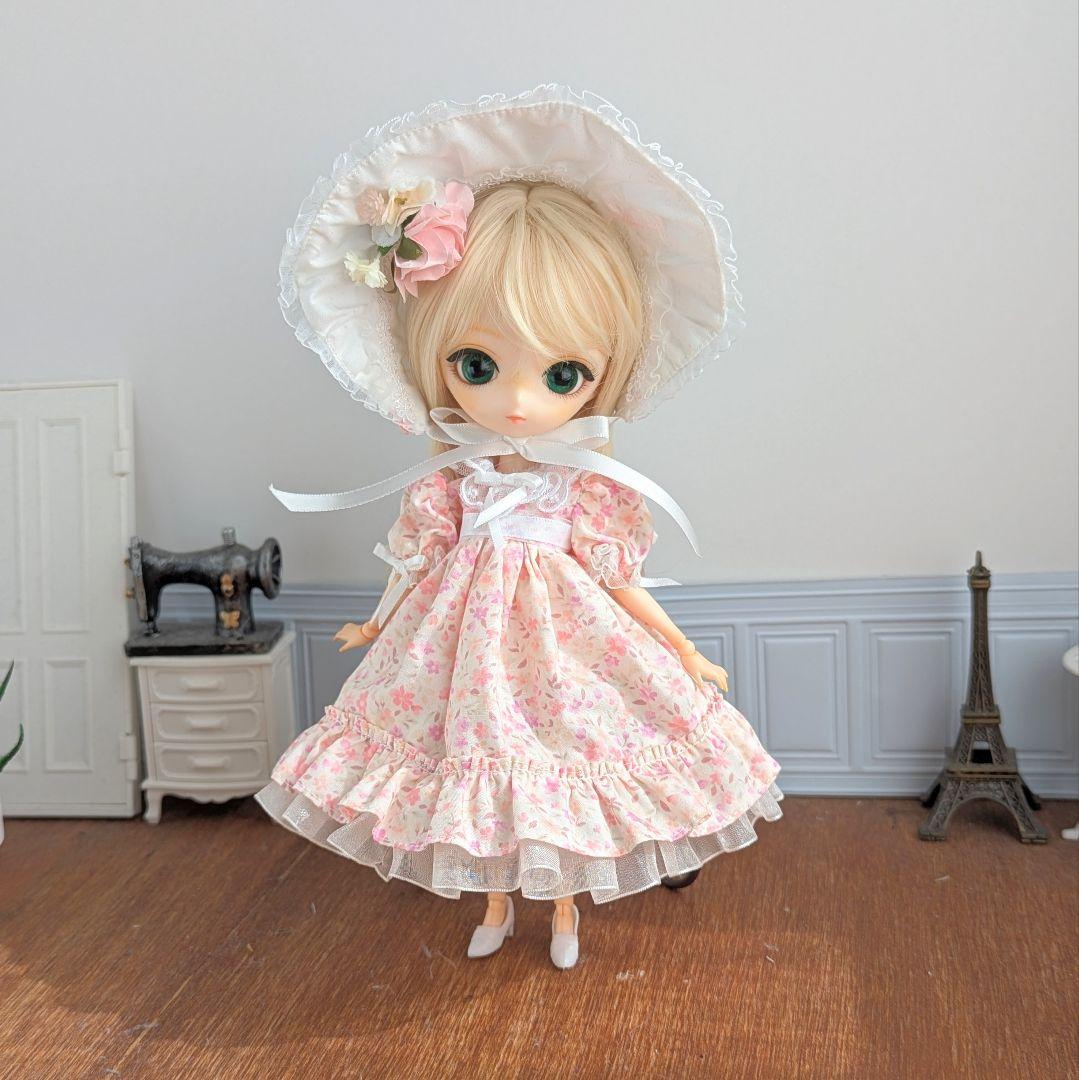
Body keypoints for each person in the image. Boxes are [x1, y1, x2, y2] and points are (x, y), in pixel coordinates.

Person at [256, 85, 784, 970]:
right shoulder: (452, 481)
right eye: (476, 364)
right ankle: (497, 904)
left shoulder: (584, 487)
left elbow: (617, 579)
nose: (513, 401)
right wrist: (376, 623)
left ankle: (565, 912)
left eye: (562, 374)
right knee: (479, 773)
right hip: (461, 652)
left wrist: (682, 650)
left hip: (563, 649)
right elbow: (418, 561)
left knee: (559, 768)